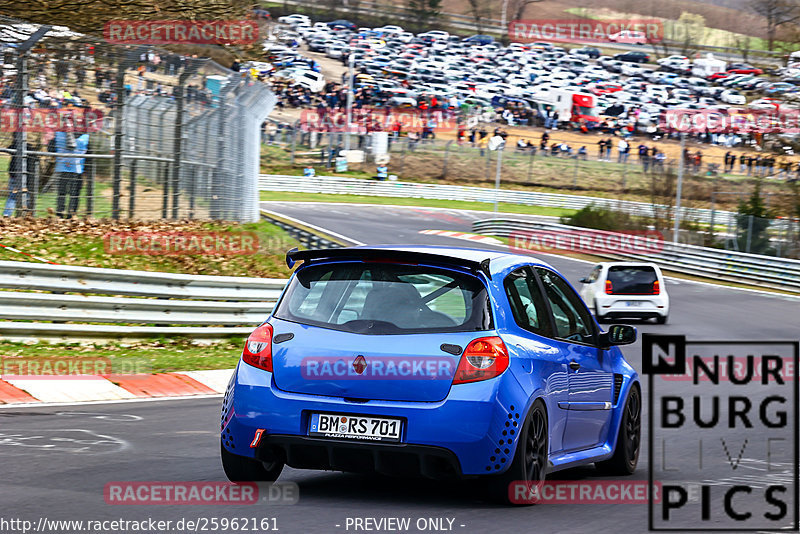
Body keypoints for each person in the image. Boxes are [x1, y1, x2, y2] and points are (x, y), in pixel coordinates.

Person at [55, 129, 90, 219]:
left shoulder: (59, 135)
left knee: (62, 193)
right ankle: (71, 214)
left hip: (62, 169)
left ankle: (60, 213)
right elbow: (89, 153)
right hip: (77, 170)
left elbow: (50, 148)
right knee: (74, 194)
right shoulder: (85, 137)